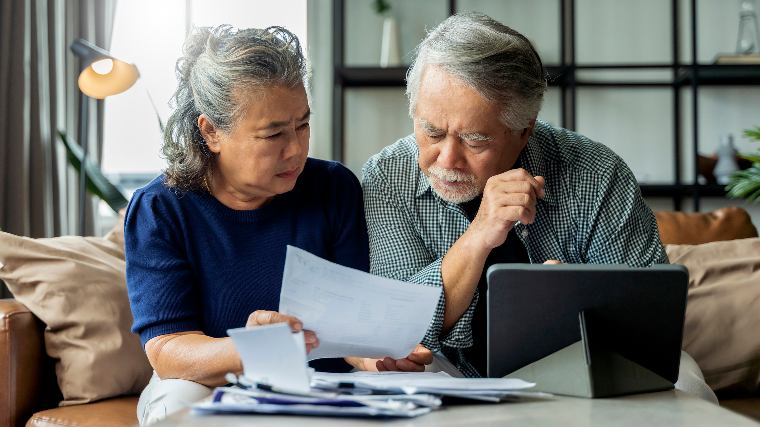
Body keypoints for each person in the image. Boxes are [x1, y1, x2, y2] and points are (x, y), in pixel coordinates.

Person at [361, 13, 717, 402]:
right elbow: (394, 326)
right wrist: (480, 234)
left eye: (474, 140)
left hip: (582, 362)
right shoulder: (386, 176)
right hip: (445, 367)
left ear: (524, 129)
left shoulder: (597, 173)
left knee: (687, 384)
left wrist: (574, 304)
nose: (447, 160)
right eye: (431, 132)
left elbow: (652, 321)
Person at [125, 25, 430, 426]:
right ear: (211, 132)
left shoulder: (334, 188)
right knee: (178, 406)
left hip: (319, 382)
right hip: (207, 383)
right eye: (273, 135)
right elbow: (167, 351)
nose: (297, 149)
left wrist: (379, 356)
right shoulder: (161, 208)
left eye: (303, 125)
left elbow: (345, 330)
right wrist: (253, 349)